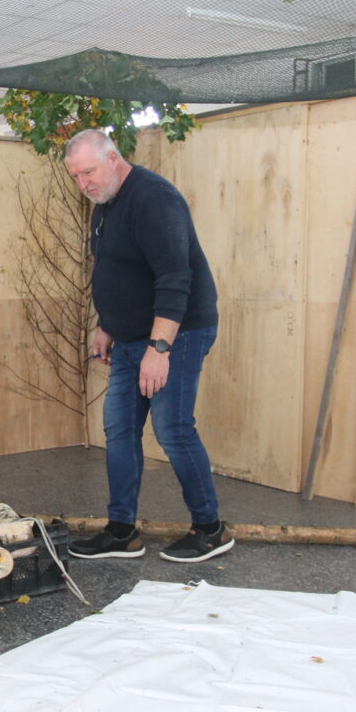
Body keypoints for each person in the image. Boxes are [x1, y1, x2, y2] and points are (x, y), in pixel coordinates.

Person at [63, 128, 232, 563]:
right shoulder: (104, 204)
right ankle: (122, 531)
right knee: (119, 429)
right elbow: (116, 271)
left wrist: (159, 349)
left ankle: (210, 528)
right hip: (132, 336)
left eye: (89, 172)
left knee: (172, 429)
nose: (84, 184)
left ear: (114, 158)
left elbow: (175, 278)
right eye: (76, 176)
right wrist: (107, 325)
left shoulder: (155, 199)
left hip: (180, 331)